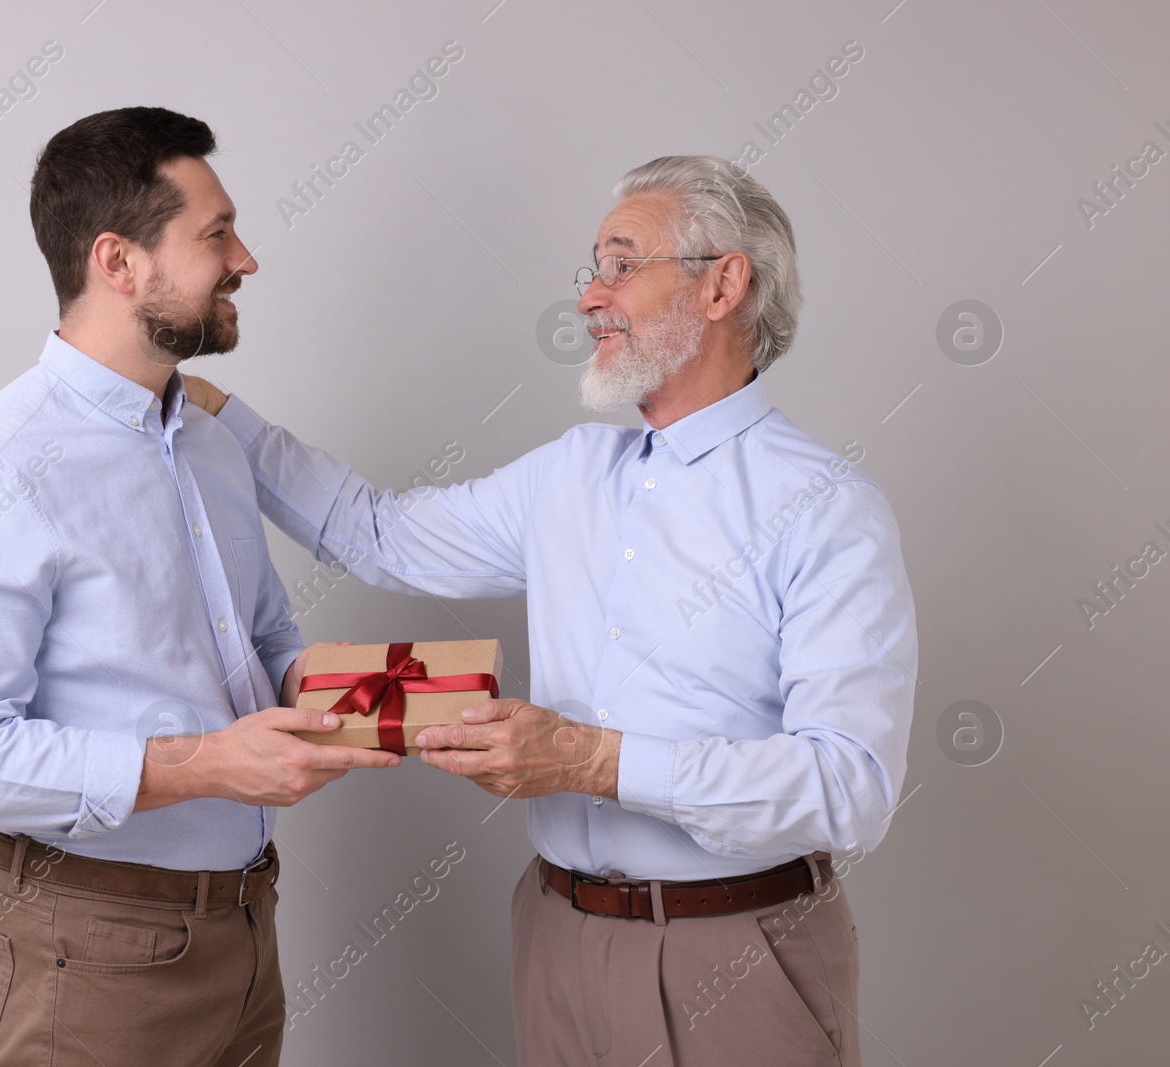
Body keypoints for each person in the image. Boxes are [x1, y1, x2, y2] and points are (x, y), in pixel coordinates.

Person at [182, 155, 917, 1066]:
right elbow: (380, 534)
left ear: (726, 282)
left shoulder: (827, 506)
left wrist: (590, 759)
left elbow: (850, 787)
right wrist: (217, 412)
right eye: (592, 270)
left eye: (620, 264)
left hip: (738, 951)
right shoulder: (572, 471)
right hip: (557, 935)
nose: (588, 300)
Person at [0, 106, 398, 1067]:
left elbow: (265, 640)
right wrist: (209, 765)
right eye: (215, 235)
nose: (245, 259)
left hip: (247, 926)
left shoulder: (208, 444)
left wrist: (367, 698)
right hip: (91, 955)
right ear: (118, 263)